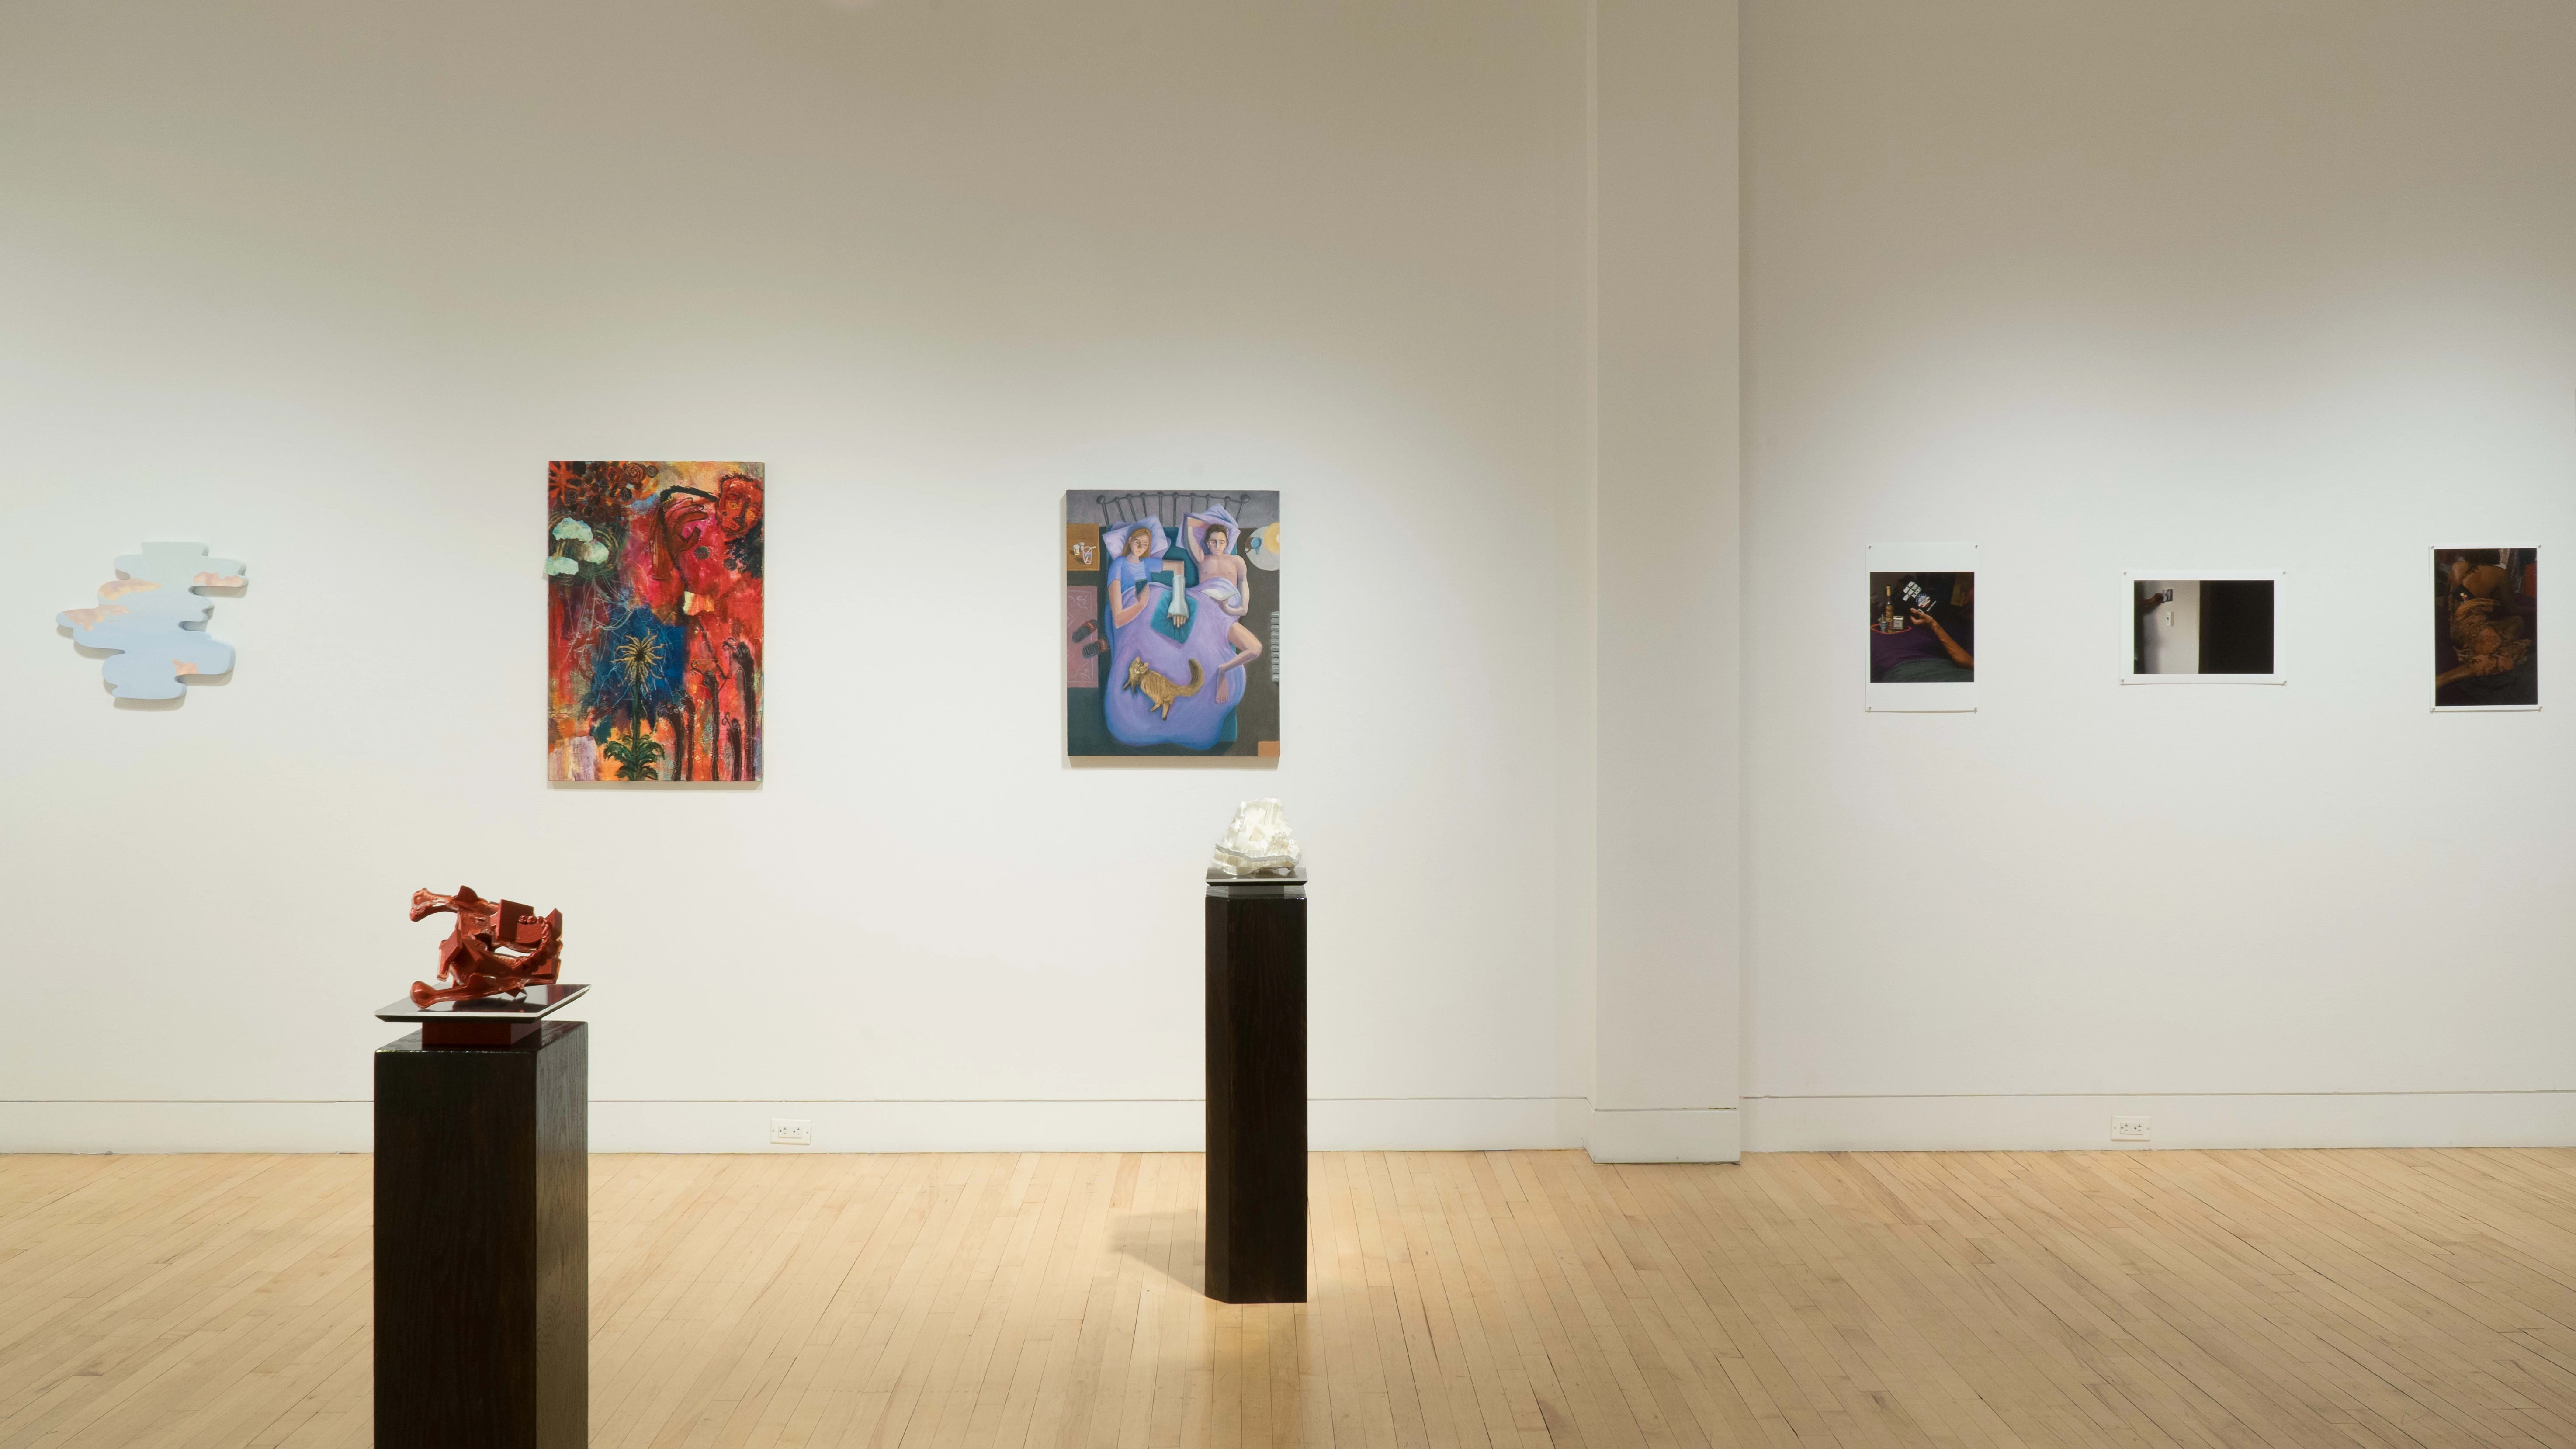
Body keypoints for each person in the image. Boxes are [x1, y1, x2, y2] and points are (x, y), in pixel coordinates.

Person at [1187, 516, 1264, 703]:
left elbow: (1244, 590)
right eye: (1213, 541)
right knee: (1200, 657)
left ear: (1227, 543)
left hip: (1226, 616)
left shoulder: (1237, 561)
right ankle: (1213, 678)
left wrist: (1234, 608)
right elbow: (1189, 523)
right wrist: (1217, 523)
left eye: (1222, 541)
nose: (1217, 545)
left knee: (1256, 648)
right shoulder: (1201, 558)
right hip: (1203, 614)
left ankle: (1223, 670)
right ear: (1207, 542)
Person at [1870, 576, 1973, 683]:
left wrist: (1933, 624)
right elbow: (1971, 664)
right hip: (1930, 661)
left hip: (1908, 672)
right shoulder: (1952, 615)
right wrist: (1933, 624)